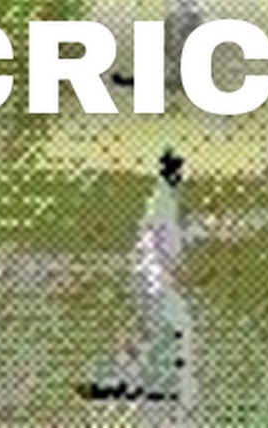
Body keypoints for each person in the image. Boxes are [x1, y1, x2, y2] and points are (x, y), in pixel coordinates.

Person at [80, 149, 196, 418]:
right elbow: (166, 246)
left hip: (148, 278)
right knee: (167, 328)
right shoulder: (164, 202)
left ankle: (122, 377)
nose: (180, 176)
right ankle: (133, 380)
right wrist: (175, 270)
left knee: (149, 331)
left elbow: (161, 241)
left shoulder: (163, 198)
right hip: (154, 281)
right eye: (177, 171)